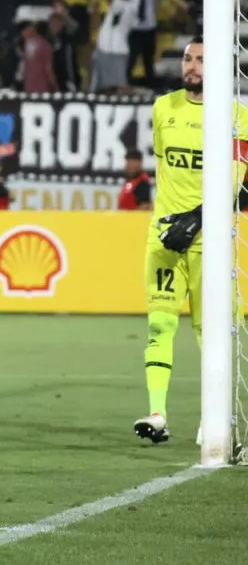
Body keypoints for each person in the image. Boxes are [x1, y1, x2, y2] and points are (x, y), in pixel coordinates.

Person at [135, 37, 248, 444]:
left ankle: (216, 419)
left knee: (210, 330)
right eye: (188, 58)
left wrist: (197, 219)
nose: (192, 66)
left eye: (201, 60)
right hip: (165, 237)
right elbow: (167, 168)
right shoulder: (163, 108)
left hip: (209, 242)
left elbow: (235, 179)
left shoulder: (237, 116)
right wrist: (173, 221)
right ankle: (157, 414)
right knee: (159, 324)